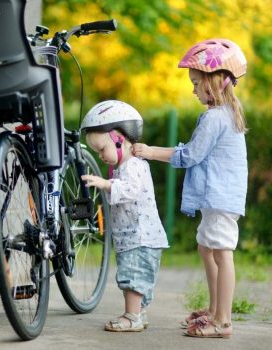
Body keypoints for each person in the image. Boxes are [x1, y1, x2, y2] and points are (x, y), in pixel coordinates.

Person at [132, 38, 248, 338]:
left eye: (197, 83)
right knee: (206, 247)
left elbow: (191, 155)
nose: (193, 89)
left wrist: (151, 151)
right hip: (221, 197)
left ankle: (222, 321)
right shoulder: (228, 114)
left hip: (220, 198)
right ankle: (214, 310)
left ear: (215, 82)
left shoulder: (214, 118)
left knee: (222, 253)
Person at [80, 100, 169, 332]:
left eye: (101, 149)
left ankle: (132, 317)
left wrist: (105, 183)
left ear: (119, 138)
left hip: (140, 237)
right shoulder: (123, 167)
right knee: (134, 276)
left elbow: (130, 190)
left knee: (132, 276)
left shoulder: (133, 166)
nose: (100, 155)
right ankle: (139, 313)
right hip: (133, 237)